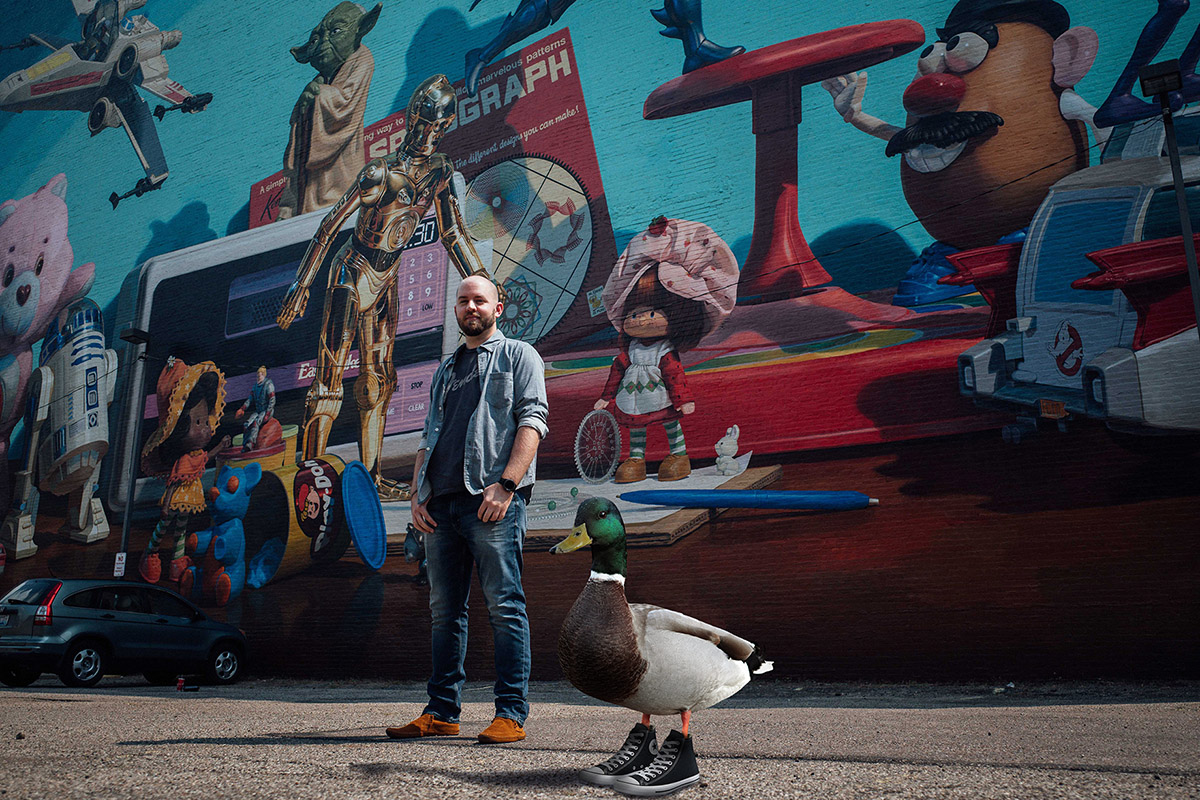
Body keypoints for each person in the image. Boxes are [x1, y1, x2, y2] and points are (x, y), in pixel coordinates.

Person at [387, 274, 548, 745]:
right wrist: (417, 497)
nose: (470, 307)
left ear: (498, 309)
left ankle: (511, 714)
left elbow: (532, 422)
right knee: (444, 613)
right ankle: (441, 712)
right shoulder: (446, 368)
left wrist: (507, 485)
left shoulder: (519, 355)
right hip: (440, 507)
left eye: (480, 300)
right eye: (463, 301)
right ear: (456, 310)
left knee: (504, 605)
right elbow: (429, 437)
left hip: (490, 502)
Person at [235, 366, 276, 451]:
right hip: (258, 411)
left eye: (259, 375)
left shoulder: (268, 385)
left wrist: (267, 413)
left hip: (266, 410)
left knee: (255, 422)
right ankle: (245, 445)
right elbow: (250, 399)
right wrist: (242, 408)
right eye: (257, 375)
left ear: (263, 375)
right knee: (246, 424)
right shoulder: (255, 387)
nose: (258, 377)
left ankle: (251, 443)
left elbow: (272, 400)